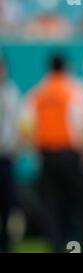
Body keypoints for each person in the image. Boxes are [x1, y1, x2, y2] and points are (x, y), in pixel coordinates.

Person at [21, 54, 83, 252]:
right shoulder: (75, 90)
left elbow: (26, 126)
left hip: (46, 154)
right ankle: (81, 245)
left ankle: (55, 246)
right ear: (67, 66)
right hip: (71, 154)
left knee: (52, 204)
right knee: (80, 203)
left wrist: (36, 149)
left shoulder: (37, 93)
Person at [0, 56, 20, 252]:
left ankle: (5, 242)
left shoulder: (11, 92)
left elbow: (16, 124)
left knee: (6, 201)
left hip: (4, 155)